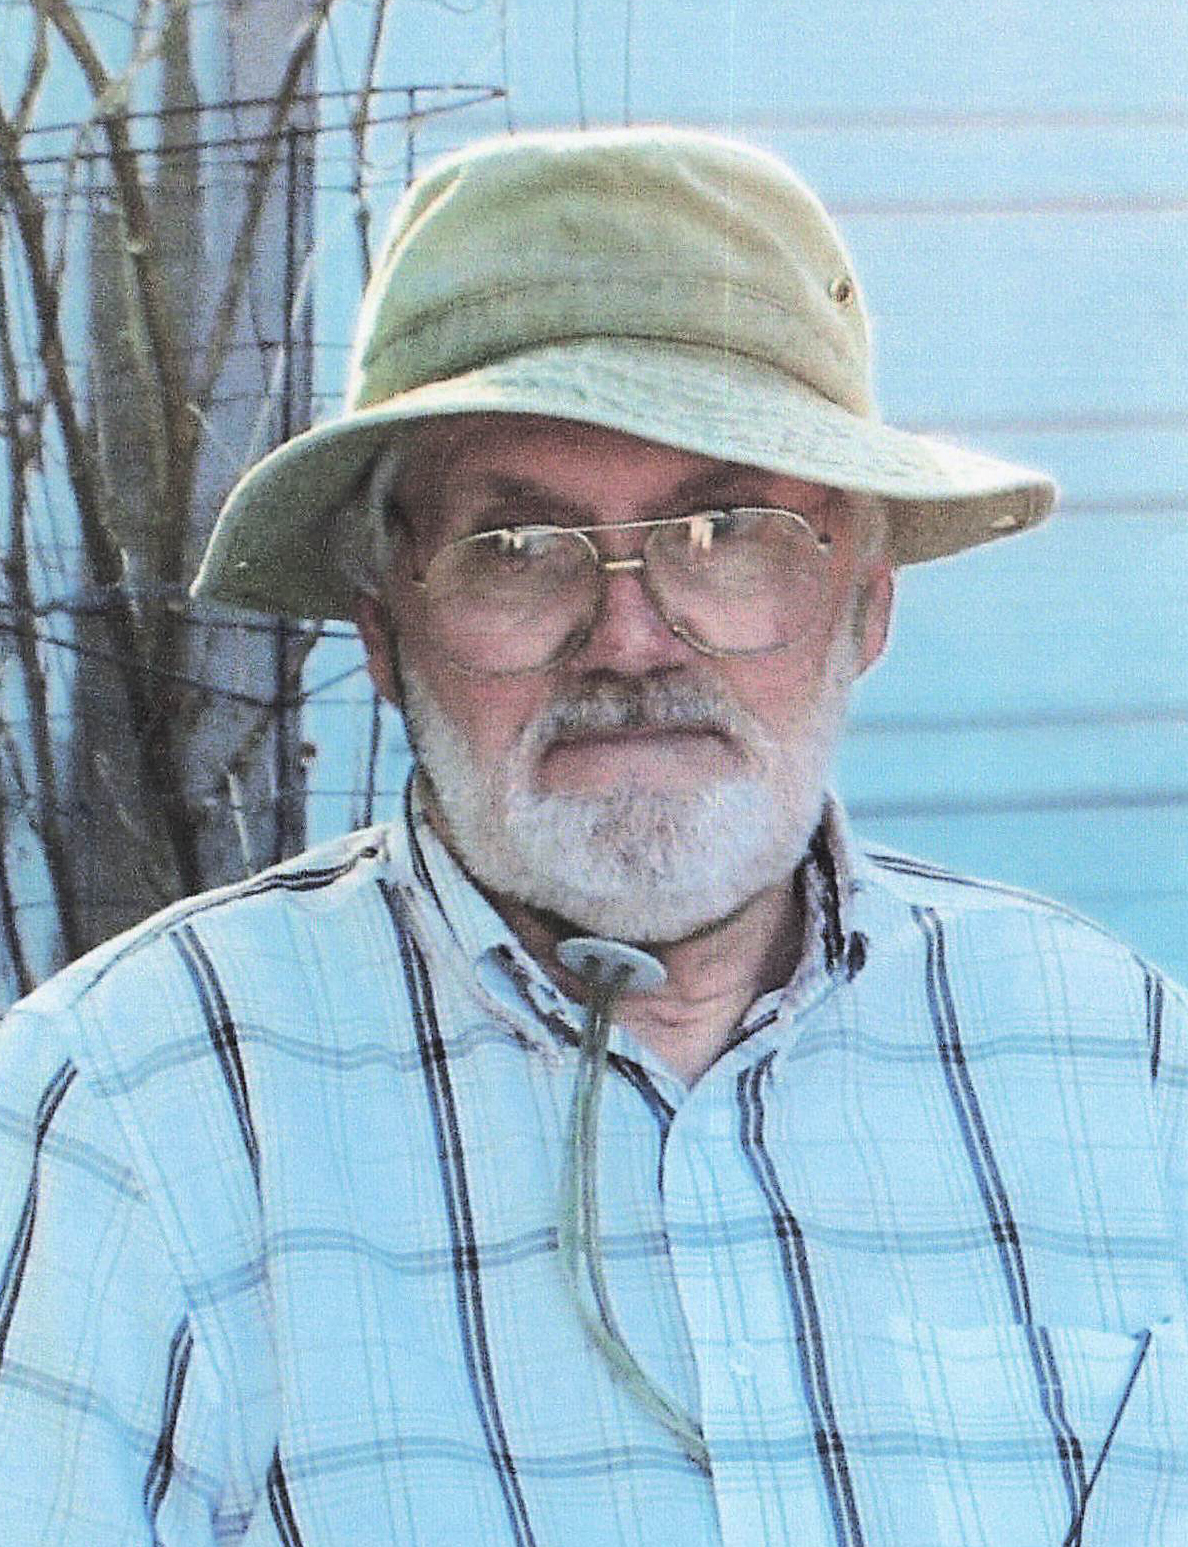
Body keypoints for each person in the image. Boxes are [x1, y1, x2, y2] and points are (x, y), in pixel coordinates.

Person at [0, 127, 1184, 1547]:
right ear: (386, 634)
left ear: (865, 608)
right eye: (515, 550)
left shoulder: (1118, 1063)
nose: (629, 639)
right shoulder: (129, 1117)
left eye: (726, 531)